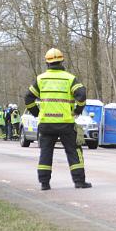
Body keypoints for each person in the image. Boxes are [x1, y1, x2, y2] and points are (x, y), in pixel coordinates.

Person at [24, 47, 90, 190]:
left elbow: (28, 98)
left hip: (46, 124)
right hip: (66, 123)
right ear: (62, 61)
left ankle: (44, 183)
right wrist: (77, 110)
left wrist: (36, 112)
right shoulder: (70, 78)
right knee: (73, 151)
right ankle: (79, 181)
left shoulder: (40, 79)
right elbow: (81, 94)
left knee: (46, 152)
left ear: (47, 63)